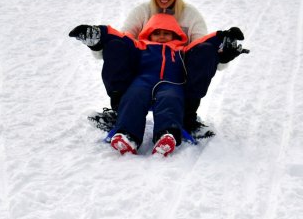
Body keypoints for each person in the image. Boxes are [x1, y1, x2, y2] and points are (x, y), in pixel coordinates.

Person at [89, 0, 242, 138]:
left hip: (176, 80)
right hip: (141, 76)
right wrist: (98, 43)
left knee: (206, 50)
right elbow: (123, 46)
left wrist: (223, 55)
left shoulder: (191, 16)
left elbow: (202, 52)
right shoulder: (142, 12)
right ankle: (120, 112)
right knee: (117, 45)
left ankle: (187, 117)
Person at [70, 14, 247, 156]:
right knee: (134, 97)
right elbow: (120, 37)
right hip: (142, 81)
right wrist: (98, 33)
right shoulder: (140, 46)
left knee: (170, 99)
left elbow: (203, 43)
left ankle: (166, 134)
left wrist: (223, 37)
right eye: (157, 32)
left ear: (176, 35)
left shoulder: (181, 50)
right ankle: (127, 135)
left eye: (166, 33)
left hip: (171, 83)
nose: (161, 36)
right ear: (149, 34)